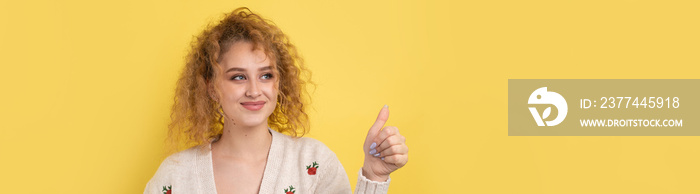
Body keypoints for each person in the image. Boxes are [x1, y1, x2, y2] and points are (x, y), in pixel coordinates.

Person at [144, 7, 408, 194]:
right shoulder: (175, 176)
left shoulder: (312, 163)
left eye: (266, 75)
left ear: (279, 82)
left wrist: (375, 175)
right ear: (211, 88)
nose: (254, 90)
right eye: (238, 77)